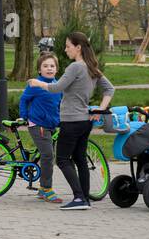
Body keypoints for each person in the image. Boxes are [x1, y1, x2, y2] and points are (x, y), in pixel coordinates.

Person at [27, 32, 115, 211]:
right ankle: (84, 199)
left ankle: (79, 197)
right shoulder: (92, 68)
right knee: (80, 159)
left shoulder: (75, 67)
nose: (65, 49)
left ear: (78, 48)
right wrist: (99, 109)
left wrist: (38, 83)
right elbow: (109, 89)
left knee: (62, 159)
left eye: (68, 46)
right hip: (84, 122)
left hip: (71, 121)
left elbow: (56, 87)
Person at [19, 53, 64, 204]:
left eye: (52, 66)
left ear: (56, 69)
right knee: (48, 156)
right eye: (45, 66)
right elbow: (24, 100)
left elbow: (59, 105)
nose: (49, 69)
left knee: (48, 155)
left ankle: (41, 187)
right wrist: (24, 116)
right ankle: (46, 189)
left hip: (51, 125)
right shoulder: (36, 84)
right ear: (39, 70)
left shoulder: (58, 86)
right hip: (38, 124)